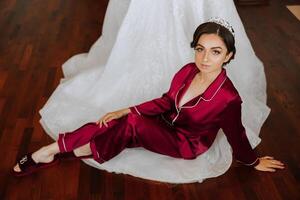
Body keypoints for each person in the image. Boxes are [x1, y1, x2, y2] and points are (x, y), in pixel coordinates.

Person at [13, 19, 285, 180]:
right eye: (200, 49)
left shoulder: (228, 98)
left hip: (186, 143)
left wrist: (252, 161)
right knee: (113, 122)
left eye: (215, 52)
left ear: (228, 56)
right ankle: (60, 149)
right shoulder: (189, 70)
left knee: (131, 123)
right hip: (165, 123)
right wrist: (123, 109)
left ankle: (53, 152)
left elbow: (236, 134)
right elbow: (167, 101)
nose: (205, 58)